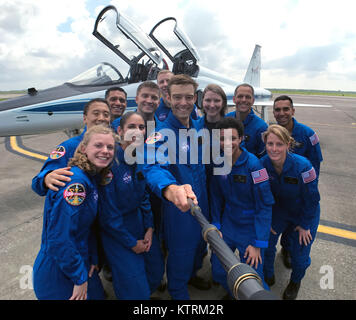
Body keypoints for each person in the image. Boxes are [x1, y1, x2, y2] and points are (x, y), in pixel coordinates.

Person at [143, 74, 210, 299]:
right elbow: (152, 167)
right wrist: (170, 188)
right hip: (180, 210)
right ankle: (178, 291)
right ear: (168, 98)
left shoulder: (199, 128)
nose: (184, 102)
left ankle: (192, 275)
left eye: (189, 97)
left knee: (200, 249)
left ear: (195, 98)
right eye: (178, 97)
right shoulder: (160, 134)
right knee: (181, 254)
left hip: (204, 206)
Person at [32, 124, 116, 300]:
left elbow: (87, 228)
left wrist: (92, 256)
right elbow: (59, 237)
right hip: (60, 270)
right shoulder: (76, 183)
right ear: (84, 148)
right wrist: (79, 278)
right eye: (98, 145)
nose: (105, 151)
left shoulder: (91, 178)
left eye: (110, 147)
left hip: (79, 261)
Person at [98, 111, 164, 299]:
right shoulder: (110, 162)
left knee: (156, 271)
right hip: (117, 231)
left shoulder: (140, 157)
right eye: (131, 127)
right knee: (132, 282)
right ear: (120, 130)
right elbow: (107, 213)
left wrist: (149, 228)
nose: (137, 131)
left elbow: (143, 197)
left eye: (141, 127)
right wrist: (130, 243)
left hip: (140, 224)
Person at [209, 117, 274, 297]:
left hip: (250, 227)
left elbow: (265, 204)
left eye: (232, 138)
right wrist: (216, 224)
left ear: (241, 139)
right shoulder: (218, 161)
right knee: (219, 269)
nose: (227, 143)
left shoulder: (254, 165)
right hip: (228, 222)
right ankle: (234, 293)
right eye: (222, 139)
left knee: (253, 278)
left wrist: (257, 243)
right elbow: (215, 195)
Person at [261, 124, 321, 300]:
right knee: (266, 242)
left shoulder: (303, 166)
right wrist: (267, 219)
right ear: (265, 144)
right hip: (279, 210)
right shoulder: (262, 165)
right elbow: (261, 195)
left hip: (303, 212)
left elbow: (312, 199)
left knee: (300, 256)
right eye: (270, 144)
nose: (274, 149)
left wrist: (304, 225)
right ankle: (268, 274)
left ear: (288, 144)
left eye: (279, 144)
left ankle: (295, 282)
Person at [273, 95, 323, 268]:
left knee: (295, 232)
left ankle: (287, 250)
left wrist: (307, 195)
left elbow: (315, 167)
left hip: (301, 194)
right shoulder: (272, 133)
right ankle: (284, 249)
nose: (282, 113)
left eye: (286, 109)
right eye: (277, 110)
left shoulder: (308, 134)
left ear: (293, 111)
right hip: (280, 194)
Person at [31, 98, 111, 195]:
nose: (101, 118)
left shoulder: (111, 148)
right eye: (96, 113)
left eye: (106, 115)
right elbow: (37, 184)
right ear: (85, 118)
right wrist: (46, 178)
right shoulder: (69, 147)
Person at [225, 83, 267, 157]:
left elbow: (263, 157)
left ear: (253, 100)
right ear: (234, 99)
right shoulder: (225, 120)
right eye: (240, 96)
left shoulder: (261, 128)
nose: (244, 100)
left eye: (248, 97)